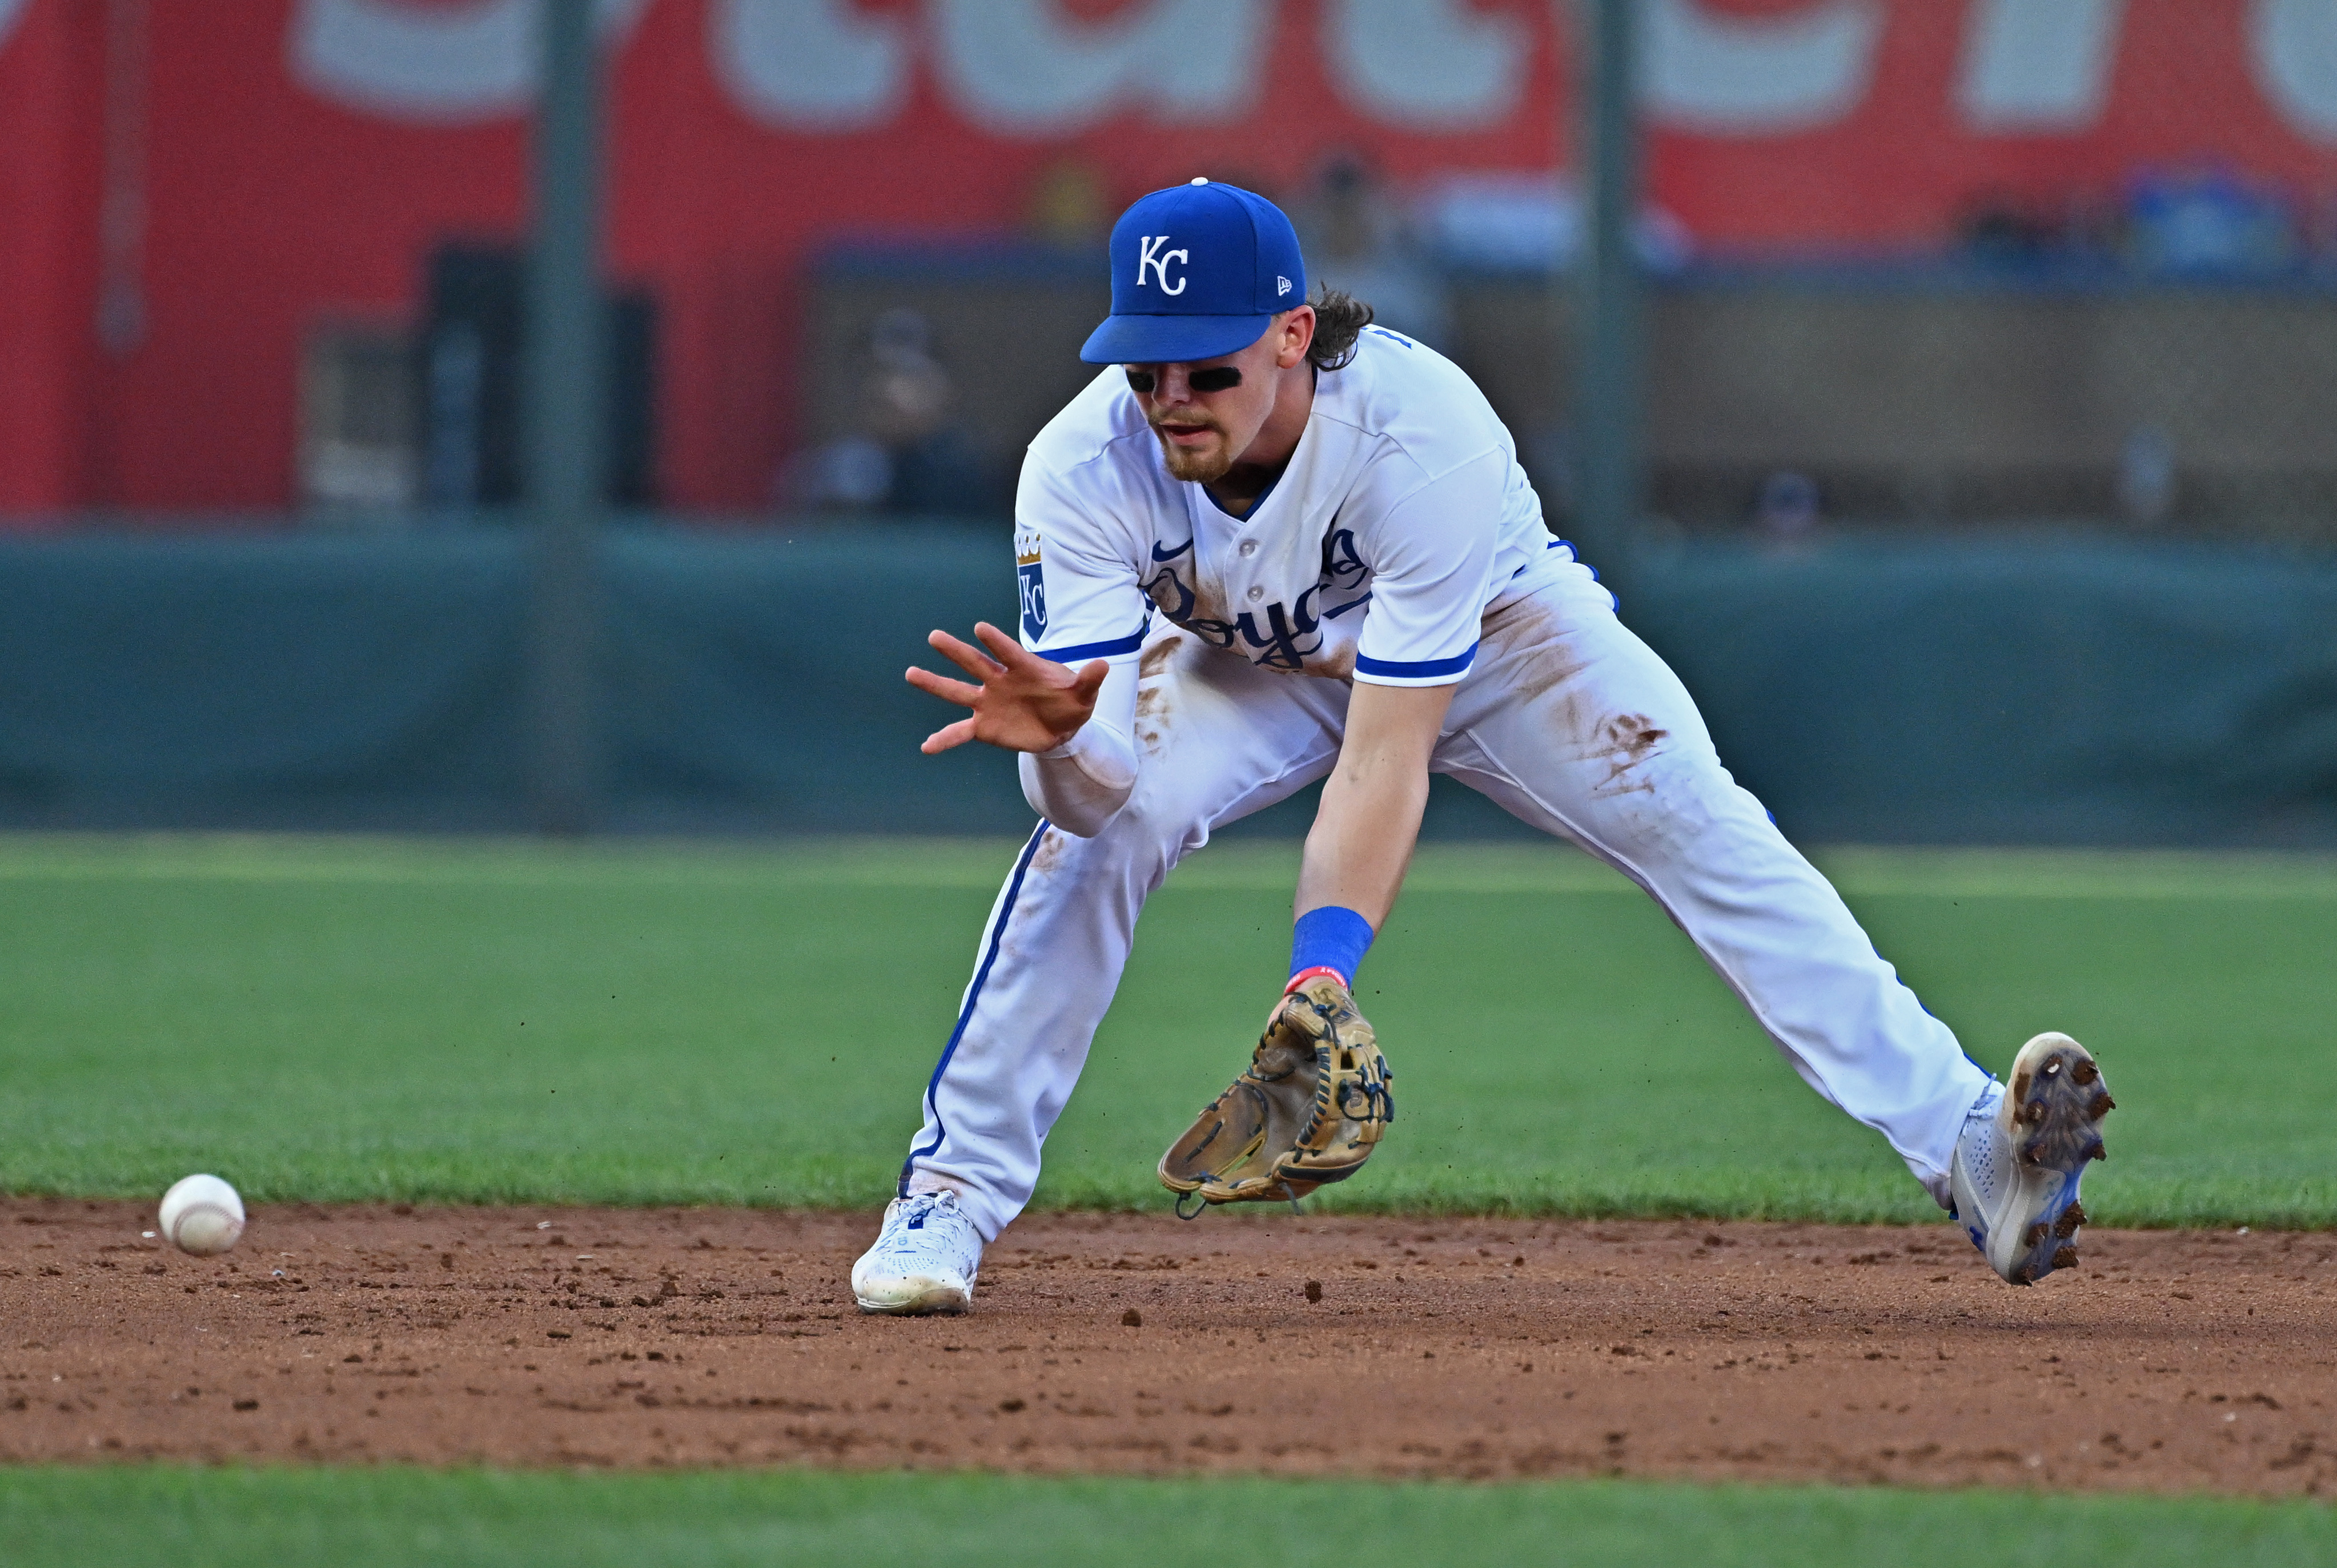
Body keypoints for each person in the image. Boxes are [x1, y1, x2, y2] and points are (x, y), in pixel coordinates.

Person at [849, 180, 2113, 1314]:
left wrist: (1320, 977)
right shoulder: (1080, 469)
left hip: (1494, 633)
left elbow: (1386, 754)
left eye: (1206, 368)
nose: (1172, 399)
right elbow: (1095, 787)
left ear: (1292, 336)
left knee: (1697, 817)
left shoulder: (1417, 428)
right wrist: (1062, 748)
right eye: (1145, 369)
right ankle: (948, 1194)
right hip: (1250, 659)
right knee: (1086, 841)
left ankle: (1973, 1151)